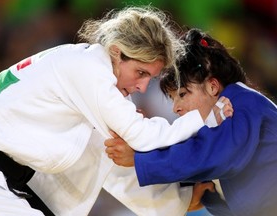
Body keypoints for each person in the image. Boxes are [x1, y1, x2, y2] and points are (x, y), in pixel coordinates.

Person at [0, 7, 231, 215]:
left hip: (5, 179)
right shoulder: (88, 70)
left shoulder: (86, 76)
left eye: (150, 78)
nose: (142, 87)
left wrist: (178, 202)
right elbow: (143, 137)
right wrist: (203, 118)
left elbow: (111, 158)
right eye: (140, 73)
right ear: (117, 52)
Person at [105, 28, 277, 216]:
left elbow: (213, 156)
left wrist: (141, 159)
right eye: (173, 99)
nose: (175, 108)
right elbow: (201, 160)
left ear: (212, 87)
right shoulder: (222, 126)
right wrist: (201, 195)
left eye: (183, 94)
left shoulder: (244, 103)